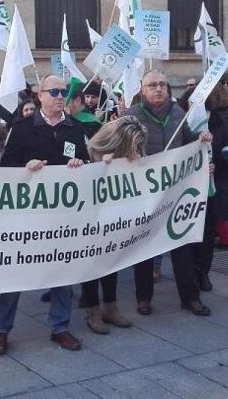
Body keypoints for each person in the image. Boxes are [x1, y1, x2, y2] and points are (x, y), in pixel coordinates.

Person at [0, 75, 89, 354]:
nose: (60, 97)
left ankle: (60, 327)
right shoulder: (21, 128)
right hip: (27, 215)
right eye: (54, 92)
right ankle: (1, 329)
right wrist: (25, 167)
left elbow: (86, 160)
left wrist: (79, 163)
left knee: (61, 269)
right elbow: (6, 165)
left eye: (64, 92)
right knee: (15, 272)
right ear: (40, 96)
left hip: (61, 216)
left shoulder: (75, 128)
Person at [126, 70, 213, 317]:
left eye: (163, 84)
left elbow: (188, 140)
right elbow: (119, 147)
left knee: (181, 246)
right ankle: (144, 298)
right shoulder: (131, 116)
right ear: (142, 90)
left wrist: (200, 139)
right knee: (144, 249)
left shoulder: (177, 113)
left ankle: (190, 298)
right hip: (145, 194)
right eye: (153, 85)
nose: (159, 89)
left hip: (175, 192)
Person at [79, 116, 144, 335]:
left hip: (113, 216)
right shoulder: (90, 150)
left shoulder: (125, 154)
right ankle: (92, 310)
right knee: (91, 265)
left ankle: (111, 307)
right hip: (90, 217)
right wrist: (99, 164)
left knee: (111, 261)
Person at [202, 82, 228, 272]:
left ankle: (223, 238)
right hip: (214, 176)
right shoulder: (192, 120)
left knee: (216, 213)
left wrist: (219, 162)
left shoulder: (219, 120)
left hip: (219, 175)